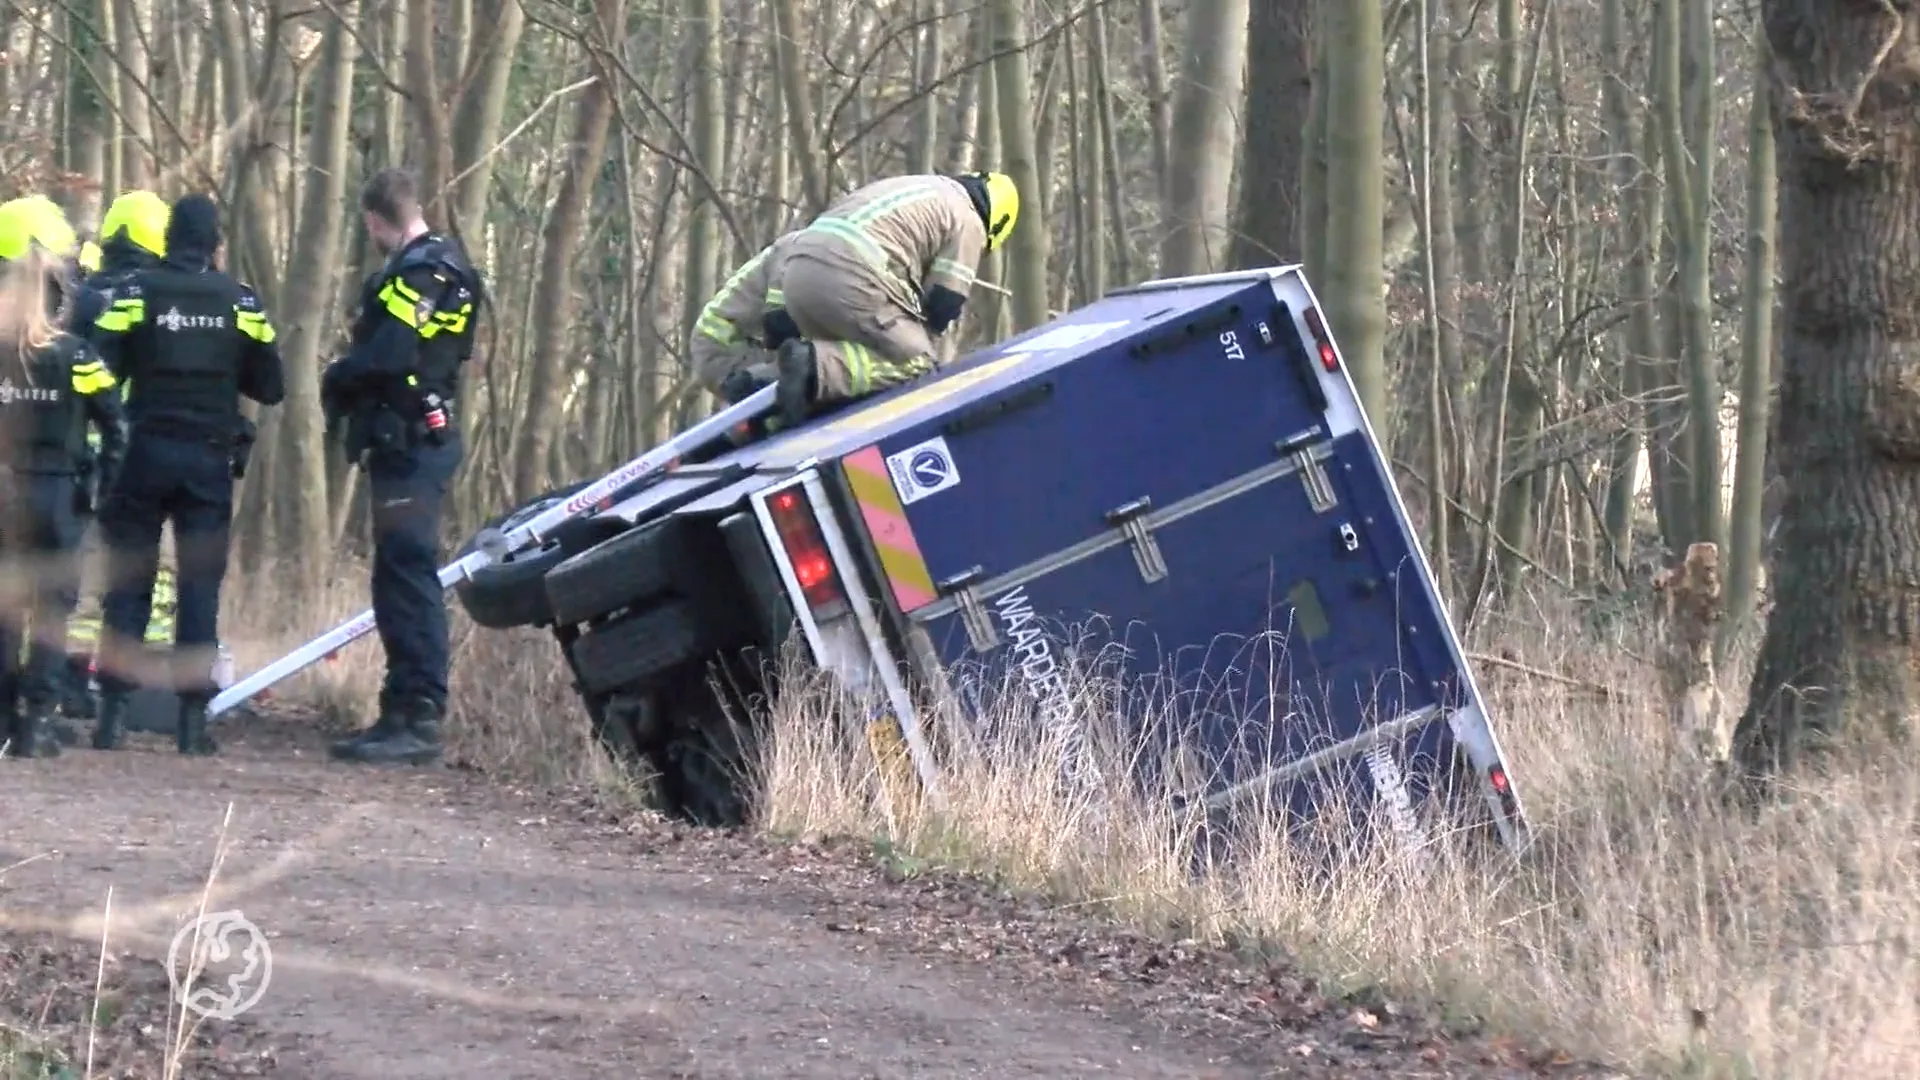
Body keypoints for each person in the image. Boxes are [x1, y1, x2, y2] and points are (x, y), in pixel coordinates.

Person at [87, 193, 284, 755]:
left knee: (129, 581)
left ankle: (112, 717)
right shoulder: (240, 301)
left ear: (167, 239)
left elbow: (99, 366)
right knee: (199, 587)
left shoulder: (132, 293)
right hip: (207, 458)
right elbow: (271, 385)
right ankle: (192, 727)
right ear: (215, 244)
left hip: (142, 453)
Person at [323, 167, 483, 767]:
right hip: (401, 439)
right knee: (393, 574)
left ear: (373, 219)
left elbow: (392, 352)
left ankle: (419, 714)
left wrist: (342, 374)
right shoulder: (426, 265)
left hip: (416, 438)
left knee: (410, 573)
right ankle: (397, 708)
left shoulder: (426, 270)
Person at [0, 198, 125, 758]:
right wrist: (99, 487)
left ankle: (3, 719)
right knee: (52, 612)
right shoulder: (79, 357)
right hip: (58, 495)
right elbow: (116, 425)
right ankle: (35, 723)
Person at [751, 172, 1020, 427]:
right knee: (917, 362)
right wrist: (915, 337)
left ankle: (762, 385)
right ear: (996, 225)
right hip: (851, 277)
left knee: (838, 370)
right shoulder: (970, 221)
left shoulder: (922, 189)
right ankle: (810, 364)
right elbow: (942, 303)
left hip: (797, 270)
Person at [61, 190, 169, 720]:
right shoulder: (156, 296)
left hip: (79, 451)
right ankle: (128, 685)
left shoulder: (81, 296)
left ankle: (67, 681)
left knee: (74, 570)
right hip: (138, 451)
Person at [691, 232, 800, 401]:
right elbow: (778, 323)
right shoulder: (794, 250)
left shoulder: (797, 247)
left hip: (725, 343)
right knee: (797, 375)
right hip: (724, 347)